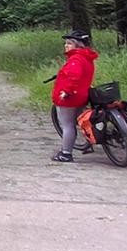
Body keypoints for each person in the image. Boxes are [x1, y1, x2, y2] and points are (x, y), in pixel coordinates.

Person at [50, 30, 98, 162]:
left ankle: (66, 153)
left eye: (69, 43)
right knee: (78, 121)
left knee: (68, 125)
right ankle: (88, 143)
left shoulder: (75, 59)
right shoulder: (87, 58)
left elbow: (74, 77)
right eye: (66, 43)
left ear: (77, 45)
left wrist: (66, 91)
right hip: (82, 95)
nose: (66, 46)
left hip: (70, 98)